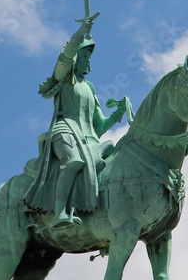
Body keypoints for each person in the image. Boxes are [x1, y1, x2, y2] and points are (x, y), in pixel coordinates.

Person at [24, 14, 126, 226]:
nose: (89, 61)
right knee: (73, 160)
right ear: (77, 58)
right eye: (86, 56)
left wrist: (118, 114)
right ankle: (59, 214)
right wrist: (80, 33)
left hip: (87, 139)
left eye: (89, 57)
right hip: (65, 131)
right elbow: (65, 58)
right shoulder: (65, 78)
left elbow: (98, 126)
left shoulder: (89, 88)